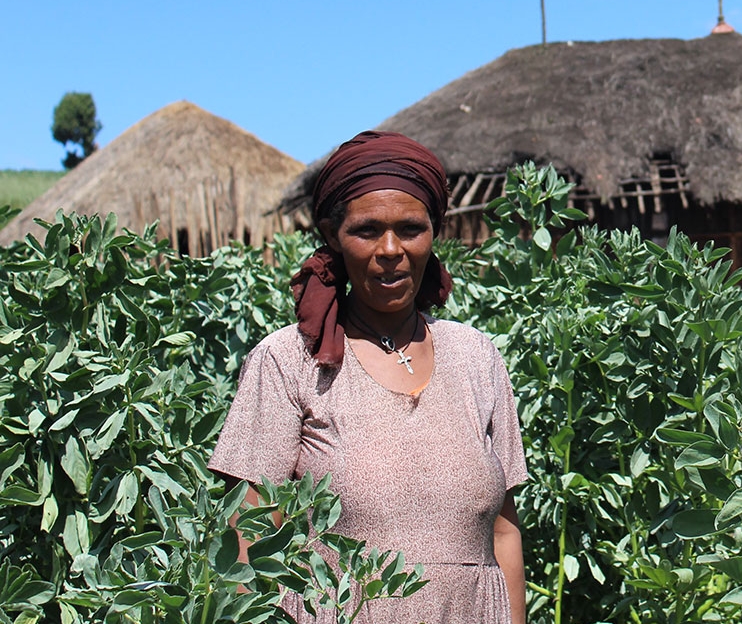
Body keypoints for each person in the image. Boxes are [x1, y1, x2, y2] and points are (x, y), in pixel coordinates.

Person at [209, 131, 528, 623]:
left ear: (433, 233)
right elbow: (245, 539)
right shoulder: (289, 361)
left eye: (410, 228)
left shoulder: (475, 357)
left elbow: (504, 532)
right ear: (333, 235)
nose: (390, 249)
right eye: (366, 230)